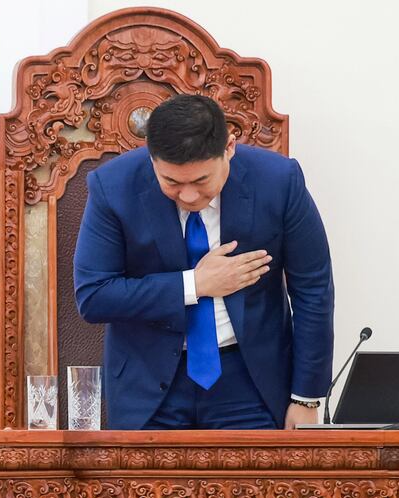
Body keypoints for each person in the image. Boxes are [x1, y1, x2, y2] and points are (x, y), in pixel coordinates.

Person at [74, 94, 334, 430]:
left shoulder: (279, 181)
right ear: (152, 159)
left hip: (251, 382)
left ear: (229, 148)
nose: (188, 196)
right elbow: (94, 295)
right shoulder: (112, 186)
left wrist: (305, 398)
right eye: (171, 182)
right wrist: (195, 284)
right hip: (147, 386)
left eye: (201, 181)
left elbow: (313, 288)